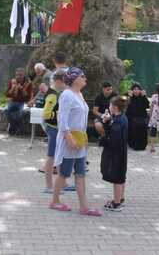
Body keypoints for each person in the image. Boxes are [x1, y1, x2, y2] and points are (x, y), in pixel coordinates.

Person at [49, 67, 101, 217]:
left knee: (80, 173)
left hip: (79, 140)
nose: (85, 78)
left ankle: (84, 207)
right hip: (69, 140)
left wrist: (83, 138)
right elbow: (62, 119)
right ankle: (55, 201)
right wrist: (68, 137)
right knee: (64, 173)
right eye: (82, 76)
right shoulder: (67, 95)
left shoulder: (79, 94)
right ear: (74, 79)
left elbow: (81, 119)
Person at [42, 72, 74, 193]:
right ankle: (49, 186)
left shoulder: (57, 93)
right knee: (51, 156)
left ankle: (62, 183)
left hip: (57, 128)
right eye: (65, 82)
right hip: (53, 128)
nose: (66, 85)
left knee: (60, 155)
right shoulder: (53, 95)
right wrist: (60, 115)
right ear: (59, 81)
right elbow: (46, 114)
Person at [100, 95, 129, 212]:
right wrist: (107, 122)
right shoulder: (121, 118)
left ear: (115, 107)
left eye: (110, 105)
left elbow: (113, 139)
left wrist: (104, 140)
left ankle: (116, 203)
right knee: (121, 176)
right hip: (121, 152)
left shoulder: (117, 121)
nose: (109, 107)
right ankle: (120, 198)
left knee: (116, 178)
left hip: (115, 154)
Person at [5, 68, 33, 135]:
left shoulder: (28, 83)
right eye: (17, 75)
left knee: (20, 113)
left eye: (20, 75)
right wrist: (12, 88)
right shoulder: (12, 81)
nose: (18, 77)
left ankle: (13, 128)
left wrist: (22, 90)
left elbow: (28, 97)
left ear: (24, 75)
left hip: (22, 102)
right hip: (13, 101)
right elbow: (7, 94)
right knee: (6, 110)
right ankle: (15, 126)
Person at [125, 83, 150, 150]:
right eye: (134, 89)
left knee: (142, 125)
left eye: (138, 89)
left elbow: (147, 105)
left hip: (141, 117)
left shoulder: (142, 97)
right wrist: (129, 96)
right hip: (131, 117)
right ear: (132, 90)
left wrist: (144, 96)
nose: (136, 91)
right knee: (133, 126)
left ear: (140, 90)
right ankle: (132, 143)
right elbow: (126, 104)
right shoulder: (129, 97)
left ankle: (142, 144)